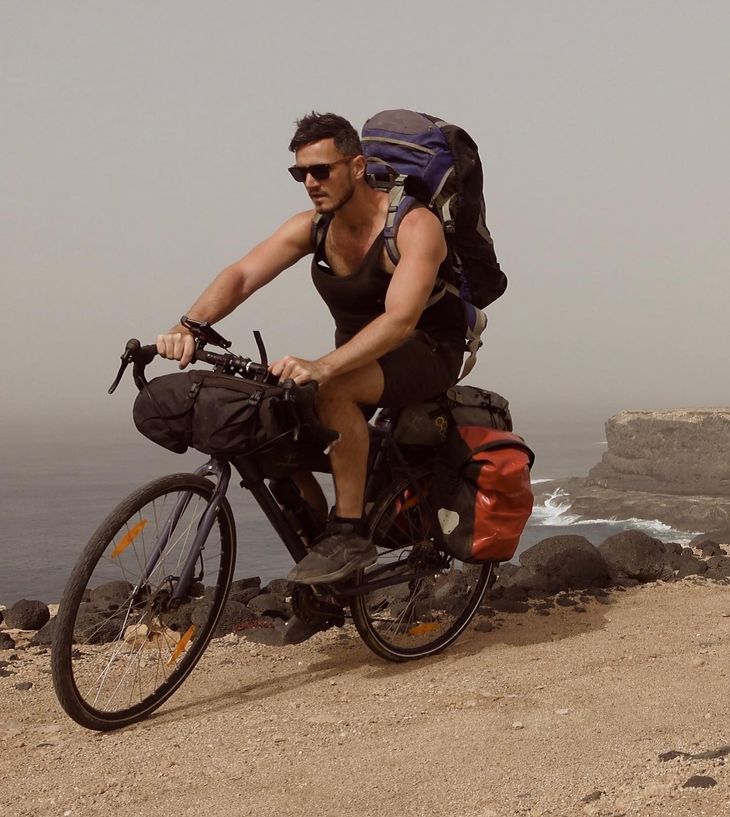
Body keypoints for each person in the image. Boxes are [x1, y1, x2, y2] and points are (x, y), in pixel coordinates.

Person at [157, 111, 466, 590]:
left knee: (333, 390)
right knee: (272, 414)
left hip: (426, 350)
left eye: (321, 170)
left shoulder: (412, 225)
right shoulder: (314, 227)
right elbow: (242, 274)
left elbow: (400, 319)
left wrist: (323, 366)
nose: (309, 182)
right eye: (300, 172)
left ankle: (349, 533)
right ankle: (322, 576)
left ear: (358, 167)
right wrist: (190, 323)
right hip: (361, 355)